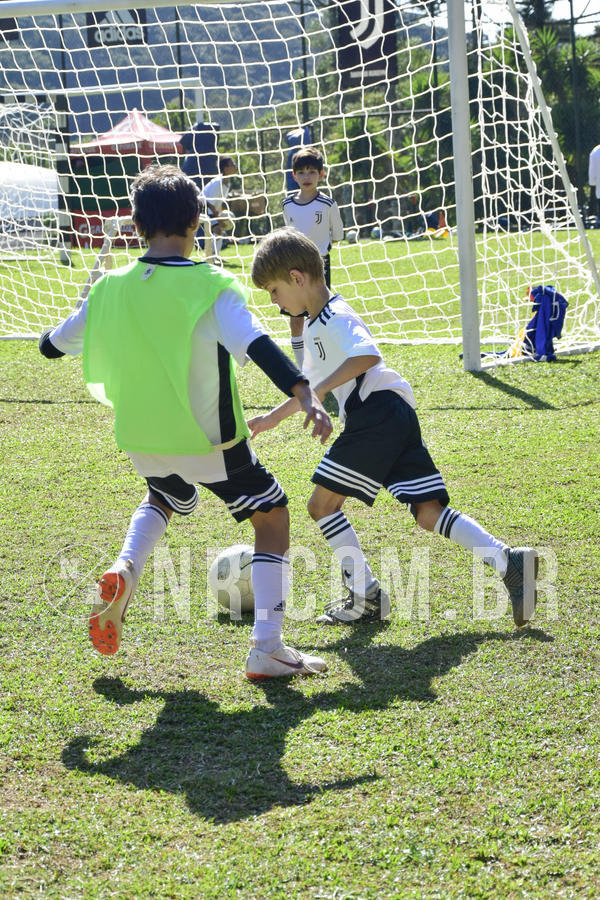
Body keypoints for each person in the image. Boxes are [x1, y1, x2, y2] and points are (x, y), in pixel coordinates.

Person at [39, 166, 333, 679]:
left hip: (141, 440)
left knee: (165, 495)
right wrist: (301, 389)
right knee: (272, 516)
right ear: (198, 221)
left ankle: (126, 567)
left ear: (134, 224)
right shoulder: (211, 284)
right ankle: (267, 646)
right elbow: (258, 345)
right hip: (210, 441)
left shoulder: (109, 287)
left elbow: (50, 346)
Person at [249, 228, 538, 628]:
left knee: (322, 505)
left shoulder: (335, 314)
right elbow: (308, 391)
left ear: (297, 278)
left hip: (378, 413)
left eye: (274, 291)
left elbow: (367, 354)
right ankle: (511, 561)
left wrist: (323, 394)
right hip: (392, 413)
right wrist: (270, 419)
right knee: (428, 512)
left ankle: (366, 597)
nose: (275, 301)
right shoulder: (315, 324)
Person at [281, 146, 344, 370]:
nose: (307, 177)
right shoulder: (287, 204)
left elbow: (337, 236)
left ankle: (323, 362)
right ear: (294, 175)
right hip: (293, 268)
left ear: (321, 174)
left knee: (319, 314)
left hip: (319, 266)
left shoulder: (327, 204)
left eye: (312, 172)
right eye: (302, 172)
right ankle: (301, 369)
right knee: (296, 316)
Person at [200, 155, 238, 263]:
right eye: (232, 164)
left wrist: (220, 215)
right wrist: (219, 219)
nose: (235, 166)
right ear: (225, 169)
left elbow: (218, 202)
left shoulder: (227, 182)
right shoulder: (218, 182)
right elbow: (209, 202)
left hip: (210, 209)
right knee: (218, 230)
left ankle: (214, 256)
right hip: (201, 207)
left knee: (218, 232)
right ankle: (210, 257)